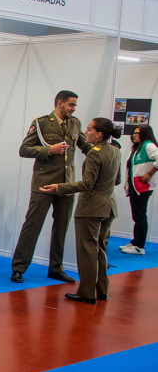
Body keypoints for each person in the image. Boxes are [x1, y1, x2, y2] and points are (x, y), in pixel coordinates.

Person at [10, 90, 92, 284]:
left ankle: (56, 268)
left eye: (74, 106)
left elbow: (84, 145)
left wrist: (102, 151)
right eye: (71, 105)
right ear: (60, 103)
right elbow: (24, 150)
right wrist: (49, 149)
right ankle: (18, 268)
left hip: (66, 185)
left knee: (61, 227)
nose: (73, 109)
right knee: (32, 225)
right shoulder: (41, 123)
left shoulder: (75, 123)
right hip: (44, 183)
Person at [40, 118, 122, 304]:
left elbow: (87, 184)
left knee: (87, 251)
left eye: (89, 129)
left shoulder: (95, 154)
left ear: (98, 134)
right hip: (108, 207)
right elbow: (116, 181)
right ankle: (102, 289)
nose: (86, 132)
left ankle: (86, 292)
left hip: (91, 208)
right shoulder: (115, 151)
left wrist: (59, 188)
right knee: (100, 249)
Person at [121, 125, 158, 255]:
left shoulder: (149, 145)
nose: (134, 135)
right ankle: (136, 241)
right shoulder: (138, 148)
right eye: (134, 133)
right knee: (137, 215)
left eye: (138, 133)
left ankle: (139, 246)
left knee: (140, 216)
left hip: (142, 186)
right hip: (135, 186)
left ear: (145, 134)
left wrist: (149, 173)